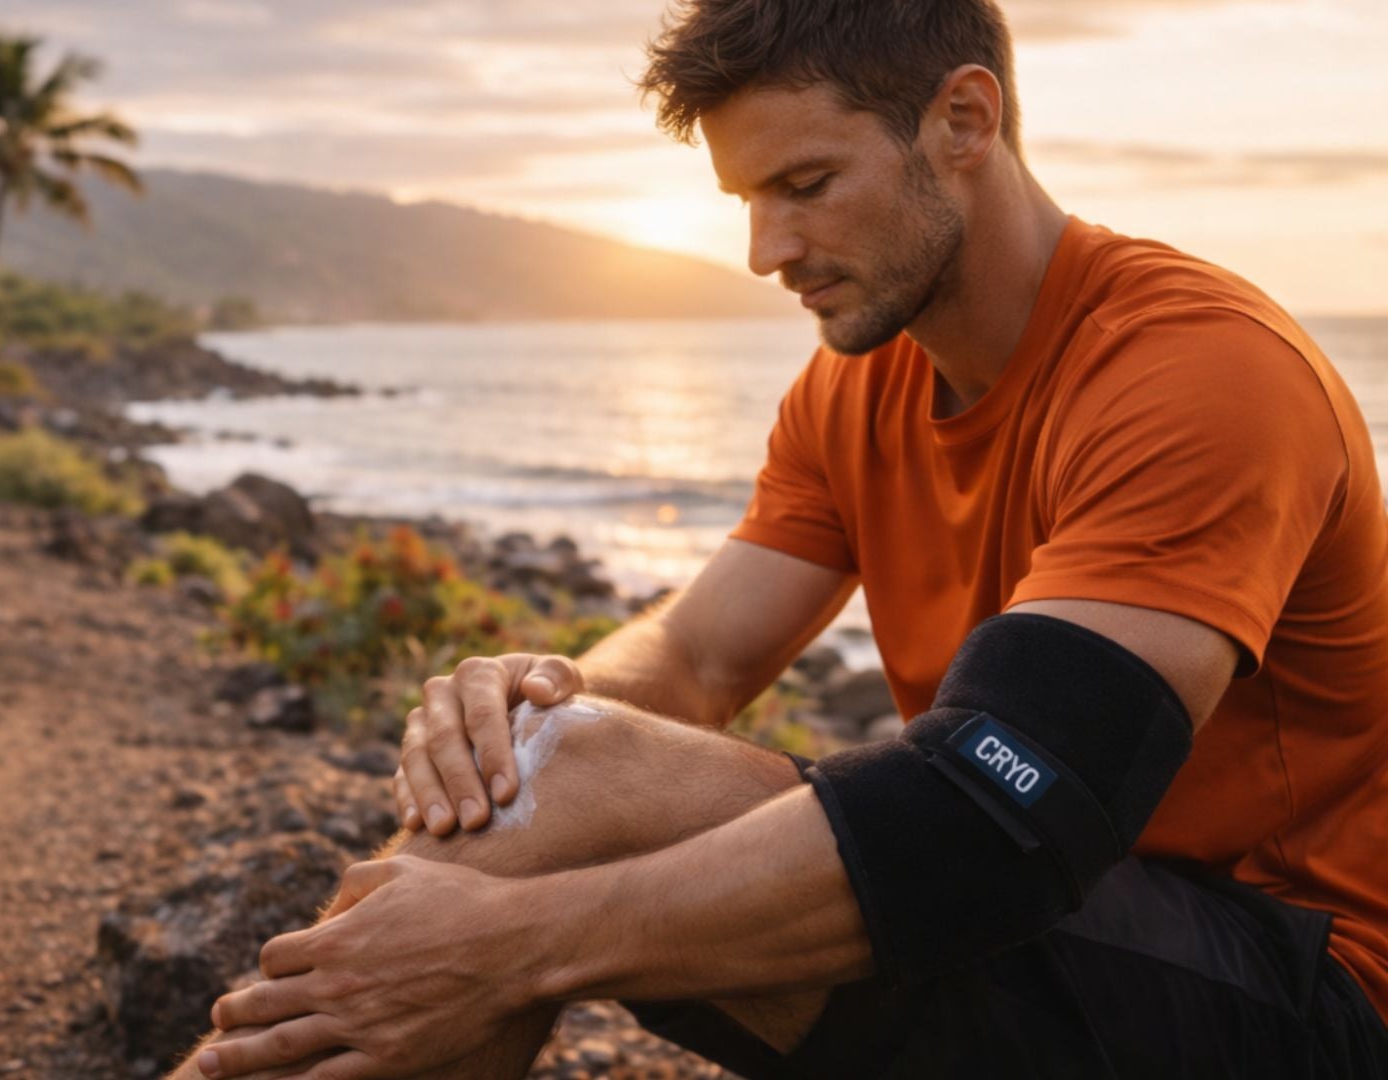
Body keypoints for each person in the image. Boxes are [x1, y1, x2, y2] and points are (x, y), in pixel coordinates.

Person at [169, 1, 1388, 1076]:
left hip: (1300, 987)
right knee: (545, 761)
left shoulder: (1200, 372)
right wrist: (533, 700)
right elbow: (695, 660)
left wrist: (511, 945)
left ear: (964, 121)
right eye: (748, 200)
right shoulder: (856, 388)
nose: (768, 252)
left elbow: (1007, 819)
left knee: (534, 841)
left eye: (805, 186)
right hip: (1042, 930)